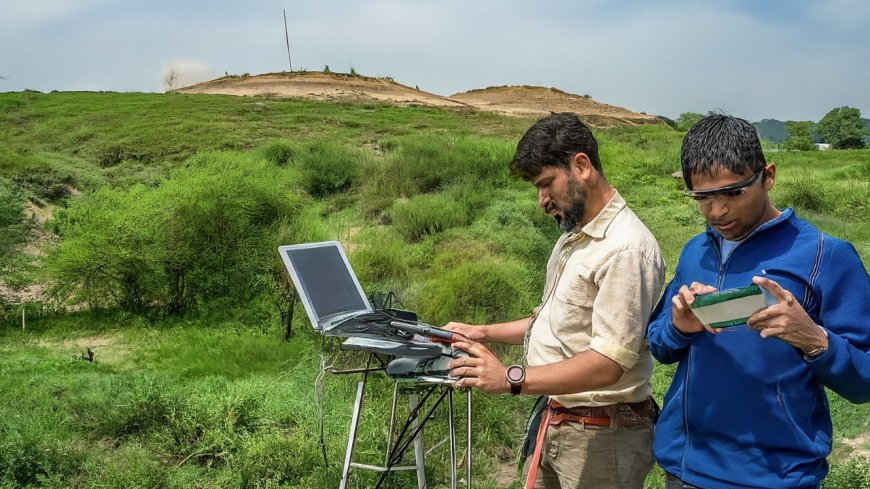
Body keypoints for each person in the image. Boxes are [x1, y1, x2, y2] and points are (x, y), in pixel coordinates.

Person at [647, 114, 870, 489]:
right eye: (703, 197)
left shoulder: (825, 257)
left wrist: (815, 341)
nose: (717, 212)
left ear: (767, 176)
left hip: (774, 477)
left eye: (733, 193)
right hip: (685, 470)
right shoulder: (694, 252)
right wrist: (677, 328)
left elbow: (864, 383)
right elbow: (659, 345)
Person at [445, 112, 666, 488]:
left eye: (547, 184)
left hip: (601, 437)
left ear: (581, 165)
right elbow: (551, 320)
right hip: (560, 419)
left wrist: (512, 377)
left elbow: (608, 363)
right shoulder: (573, 235)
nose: (542, 201)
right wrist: (481, 331)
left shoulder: (626, 248)